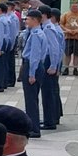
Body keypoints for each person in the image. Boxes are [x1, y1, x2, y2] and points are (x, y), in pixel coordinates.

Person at [19, 7, 46, 139]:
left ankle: (33, 128)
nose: (26, 21)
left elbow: (34, 55)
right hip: (36, 66)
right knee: (32, 98)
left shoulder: (36, 35)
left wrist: (31, 74)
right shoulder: (39, 32)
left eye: (28, 19)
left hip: (32, 66)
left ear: (35, 20)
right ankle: (33, 126)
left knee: (31, 100)